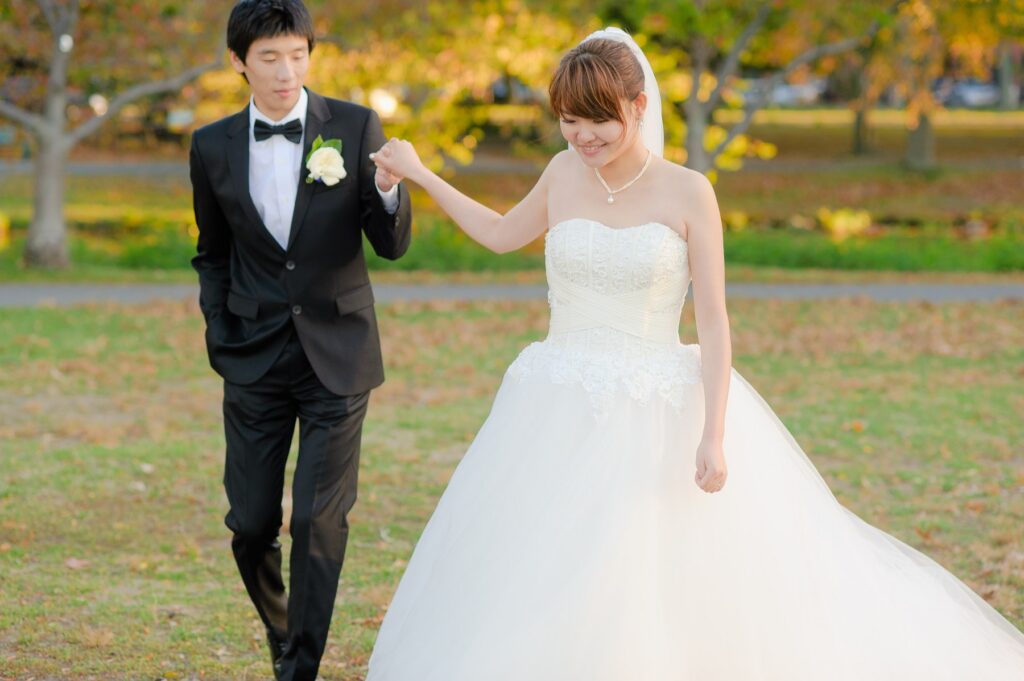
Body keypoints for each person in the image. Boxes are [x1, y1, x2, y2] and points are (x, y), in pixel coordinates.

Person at [365, 28, 1024, 680]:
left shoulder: (687, 191)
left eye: (599, 120)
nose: (583, 137)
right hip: (556, 399)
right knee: (550, 560)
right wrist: (422, 173)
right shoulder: (562, 171)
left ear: (638, 106)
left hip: (656, 405)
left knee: (646, 566)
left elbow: (713, 319)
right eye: (569, 121)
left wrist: (714, 433)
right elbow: (502, 233)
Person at [188, 1, 411, 679]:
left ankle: (299, 669)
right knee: (251, 523)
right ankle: (287, 633)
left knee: (318, 520)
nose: (287, 72)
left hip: (338, 354)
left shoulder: (354, 125)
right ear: (238, 62)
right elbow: (213, 253)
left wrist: (389, 190)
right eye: (269, 58)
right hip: (253, 356)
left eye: (298, 55)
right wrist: (220, 328)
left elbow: (391, 244)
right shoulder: (211, 145)